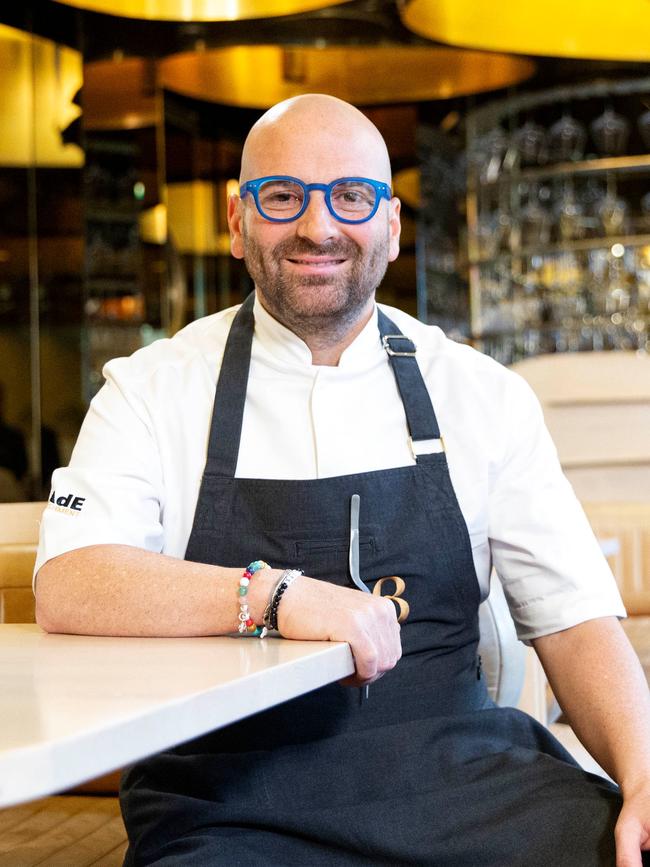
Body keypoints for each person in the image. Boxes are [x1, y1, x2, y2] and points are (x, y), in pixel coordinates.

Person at [34, 94, 650, 867]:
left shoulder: (483, 394)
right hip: (231, 806)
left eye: (350, 197)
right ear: (237, 221)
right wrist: (274, 594)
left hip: (466, 784)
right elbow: (71, 580)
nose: (318, 227)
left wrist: (643, 773)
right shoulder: (151, 388)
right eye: (283, 196)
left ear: (391, 225)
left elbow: (574, 621)